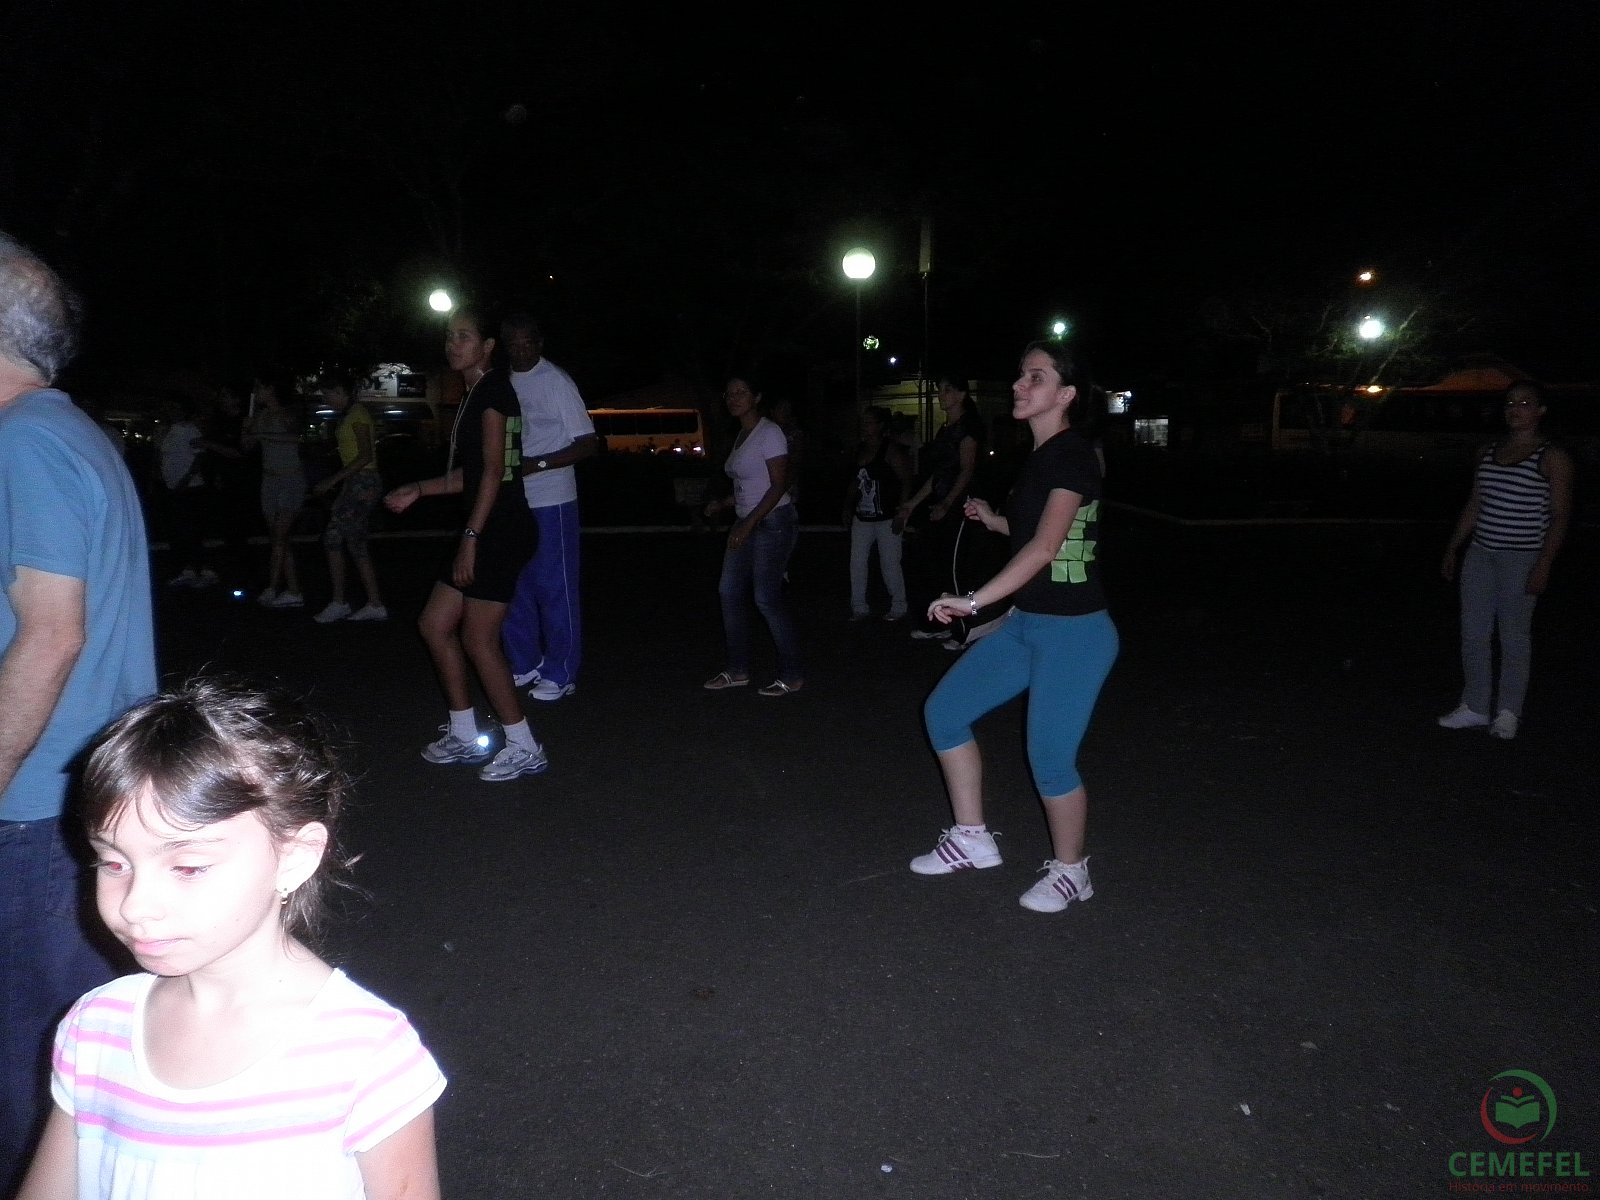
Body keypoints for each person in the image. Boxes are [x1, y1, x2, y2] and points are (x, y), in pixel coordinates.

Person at [15, 677, 445, 1200]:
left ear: (294, 857)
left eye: (189, 866)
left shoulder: (365, 1054)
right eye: (113, 862)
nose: (134, 905)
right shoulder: (94, 1028)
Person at [0, 229, 157, 1196]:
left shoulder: (24, 442)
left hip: (36, 814)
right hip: (76, 805)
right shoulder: (67, 433)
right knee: (77, 1069)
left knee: (35, 1083)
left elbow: (51, 636)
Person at [908, 340, 1118, 915]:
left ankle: (1073, 872)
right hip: (1030, 624)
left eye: (1036, 377)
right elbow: (1041, 534)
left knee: (1050, 758)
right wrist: (996, 519)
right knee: (944, 712)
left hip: (1076, 634)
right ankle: (972, 840)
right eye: (1021, 375)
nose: (1020, 385)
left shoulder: (1072, 456)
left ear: (1067, 394)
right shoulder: (1043, 457)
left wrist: (973, 602)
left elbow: (1047, 548)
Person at [384, 306, 547, 781]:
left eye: (464, 336)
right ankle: (464, 733)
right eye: (449, 336)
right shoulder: (478, 392)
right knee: (434, 624)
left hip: (500, 529)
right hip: (489, 524)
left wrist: (470, 538)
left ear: (488, 346)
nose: (453, 345)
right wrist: (419, 488)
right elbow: (473, 475)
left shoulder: (492, 392)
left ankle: (524, 745)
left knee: (478, 637)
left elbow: (494, 473)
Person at [1438, 380, 1573, 740]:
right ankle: (1475, 706)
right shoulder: (1488, 451)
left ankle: (1509, 711)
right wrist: (1454, 546)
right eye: (1511, 403)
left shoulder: (1551, 457)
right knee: (1474, 632)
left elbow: (1560, 515)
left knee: (1514, 636)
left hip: (1521, 557)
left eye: (1525, 403)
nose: (1515, 409)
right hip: (1481, 553)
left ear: (1540, 411)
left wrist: (1544, 563)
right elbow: (1475, 502)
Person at [499, 314, 596, 701]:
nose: (521, 350)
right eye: (514, 343)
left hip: (552, 498)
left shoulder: (555, 381)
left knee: (555, 587)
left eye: (528, 342)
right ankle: (524, 662)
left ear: (539, 343)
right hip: (511, 498)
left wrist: (537, 464)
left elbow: (587, 443)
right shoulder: (501, 381)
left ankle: (562, 671)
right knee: (513, 583)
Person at [701, 375, 803, 696]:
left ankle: (792, 674)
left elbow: (778, 484)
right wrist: (724, 503)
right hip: (747, 519)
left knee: (766, 598)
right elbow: (749, 486)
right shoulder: (742, 435)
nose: (733, 398)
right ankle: (737, 670)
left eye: (741, 392)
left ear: (756, 397)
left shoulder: (769, 432)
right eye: (729, 393)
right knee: (728, 592)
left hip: (773, 521)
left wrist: (747, 524)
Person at [898, 376, 987, 648]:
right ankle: (938, 624)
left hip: (962, 508)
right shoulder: (945, 430)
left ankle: (967, 631)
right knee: (931, 564)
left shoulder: (969, 427)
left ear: (961, 395)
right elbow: (938, 474)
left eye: (947, 390)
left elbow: (967, 470)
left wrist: (948, 503)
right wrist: (913, 503)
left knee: (958, 569)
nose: (941, 395)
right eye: (940, 390)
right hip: (940, 506)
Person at [310, 373, 388, 623]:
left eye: (328, 394)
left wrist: (332, 481)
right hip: (357, 482)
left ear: (341, 391)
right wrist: (343, 488)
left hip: (363, 481)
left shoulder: (358, 414)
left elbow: (365, 456)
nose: (326, 400)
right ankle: (372, 604)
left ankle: (340, 602)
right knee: (354, 542)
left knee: (334, 537)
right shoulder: (351, 415)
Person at [243, 369, 307, 609]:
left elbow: (296, 438)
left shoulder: (288, 414)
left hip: (290, 480)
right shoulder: (258, 416)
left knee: (279, 536)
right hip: (269, 481)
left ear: (271, 389)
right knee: (280, 538)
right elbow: (246, 447)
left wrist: (260, 433)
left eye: (259, 387)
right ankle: (294, 591)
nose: (256, 392)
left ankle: (272, 587)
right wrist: (247, 430)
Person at [845, 405, 913, 621]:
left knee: (890, 563)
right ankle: (859, 606)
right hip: (862, 517)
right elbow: (855, 481)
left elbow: (906, 481)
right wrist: (847, 505)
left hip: (887, 517)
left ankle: (899, 605)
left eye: (869, 422)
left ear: (880, 425)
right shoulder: (860, 450)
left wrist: (901, 513)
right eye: (863, 423)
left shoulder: (891, 451)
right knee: (857, 563)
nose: (864, 427)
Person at [157, 395, 216, 588]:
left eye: (175, 408)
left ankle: (204, 569)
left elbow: (200, 455)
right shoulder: (167, 430)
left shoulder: (189, 429)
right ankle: (188, 569)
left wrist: (188, 477)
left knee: (190, 529)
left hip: (190, 487)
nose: (171, 411)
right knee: (178, 530)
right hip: (172, 486)